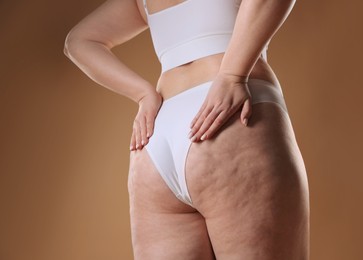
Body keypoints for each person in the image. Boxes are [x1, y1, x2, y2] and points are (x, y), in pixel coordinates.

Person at [64, 0, 310, 259]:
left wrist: (143, 94)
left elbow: (78, 42)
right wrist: (232, 75)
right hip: (225, 120)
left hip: (156, 143)